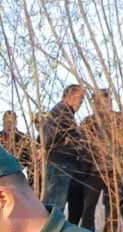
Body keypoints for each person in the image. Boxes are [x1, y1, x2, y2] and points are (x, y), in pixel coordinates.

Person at [80, 89, 123, 232]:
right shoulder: (88, 121)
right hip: (93, 170)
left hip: (115, 170)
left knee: (114, 206)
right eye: (96, 102)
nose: (99, 105)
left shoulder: (118, 119)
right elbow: (81, 145)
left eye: (103, 101)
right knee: (88, 206)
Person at [41, 85, 88, 220]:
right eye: (80, 98)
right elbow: (48, 136)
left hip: (62, 162)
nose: (81, 102)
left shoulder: (62, 112)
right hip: (61, 162)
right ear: (70, 96)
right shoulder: (62, 112)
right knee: (56, 202)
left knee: (56, 201)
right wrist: (68, 140)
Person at [0, 111, 35, 182]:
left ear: (16, 123)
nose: (9, 125)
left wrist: (30, 183)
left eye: (11, 122)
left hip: (17, 176)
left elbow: (31, 162)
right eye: (6, 122)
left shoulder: (23, 138)